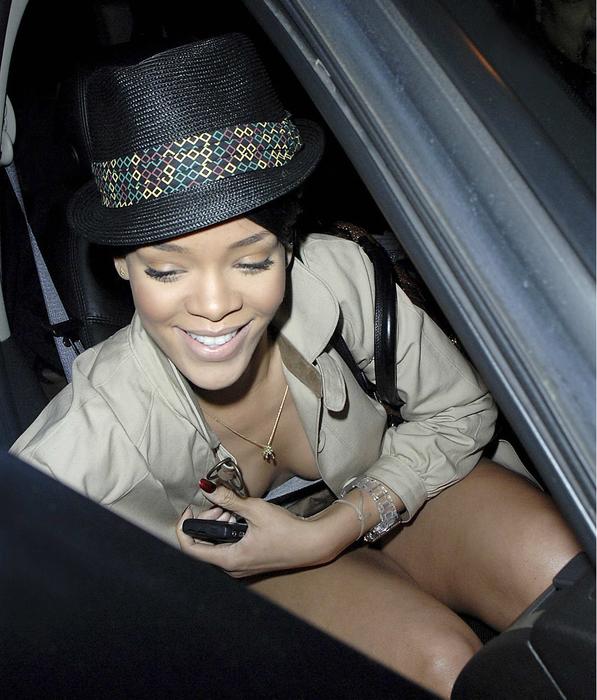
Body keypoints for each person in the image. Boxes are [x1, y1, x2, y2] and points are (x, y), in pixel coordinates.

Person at [11, 34, 580, 698]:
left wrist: (336, 527)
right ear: (122, 264)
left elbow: (460, 410)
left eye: (252, 260)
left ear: (287, 244)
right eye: (167, 270)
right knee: (440, 664)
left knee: (566, 577)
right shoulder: (101, 418)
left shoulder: (337, 276)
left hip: (389, 486)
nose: (215, 306)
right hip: (258, 579)